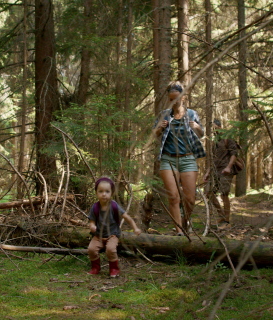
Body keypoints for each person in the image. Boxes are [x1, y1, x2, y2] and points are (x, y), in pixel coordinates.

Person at [153, 81, 205, 236]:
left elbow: (201, 134)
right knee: (174, 197)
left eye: (178, 98)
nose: (175, 102)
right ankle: (179, 231)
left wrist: (197, 127)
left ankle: (185, 222)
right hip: (168, 159)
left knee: (190, 199)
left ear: (183, 97)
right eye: (172, 99)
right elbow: (155, 134)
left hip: (188, 159)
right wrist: (159, 128)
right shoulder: (164, 114)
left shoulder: (192, 114)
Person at [87, 177, 142, 277]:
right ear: (96, 193)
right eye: (101, 191)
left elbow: (127, 217)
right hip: (98, 235)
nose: (104, 194)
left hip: (112, 235)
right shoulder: (95, 207)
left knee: (111, 249)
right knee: (91, 249)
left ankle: (114, 268)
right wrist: (92, 226)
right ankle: (95, 267)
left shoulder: (114, 206)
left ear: (111, 193)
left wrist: (135, 228)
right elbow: (92, 221)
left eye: (107, 191)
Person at [204, 119, 239, 227]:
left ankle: (226, 221)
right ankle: (221, 215)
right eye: (212, 128)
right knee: (208, 192)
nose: (213, 129)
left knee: (224, 194)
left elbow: (234, 154)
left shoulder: (228, 137)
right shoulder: (215, 140)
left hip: (226, 170)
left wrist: (228, 167)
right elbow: (214, 158)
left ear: (219, 126)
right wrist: (208, 172)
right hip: (216, 170)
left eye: (215, 126)